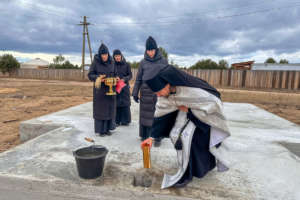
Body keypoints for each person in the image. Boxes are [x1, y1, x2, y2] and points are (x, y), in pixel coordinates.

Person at [141, 65, 230, 189]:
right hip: (187, 114)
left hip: (203, 119)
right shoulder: (164, 95)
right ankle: (198, 167)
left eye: (159, 91)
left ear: (167, 84)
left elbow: (212, 105)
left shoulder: (190, 90)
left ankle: (187, 174)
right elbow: (160, 112)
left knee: (186, 138)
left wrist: (189, 110)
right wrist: (152, 136)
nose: (159, 95)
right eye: (156, 93)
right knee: (175, 134)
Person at [132, 36, 168, 145]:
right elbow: (138, 78)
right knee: (145, 115)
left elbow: (168, 77)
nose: (150, 53)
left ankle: (157, 137)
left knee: (158, 115)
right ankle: (145, 135)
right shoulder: (143, 62)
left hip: (158, 92)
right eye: (148, 50)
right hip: (145, 93)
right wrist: (135, 92)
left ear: (156, 49)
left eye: (152, 50)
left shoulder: (163, 61)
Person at [88, 43, 117, 137]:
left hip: (110, 90)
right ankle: (101, 130)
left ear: (108, 54)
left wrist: (116, 78)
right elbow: (90, 75)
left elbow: (115, 73)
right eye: (102, 55)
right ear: (100, 55)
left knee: (109, 110)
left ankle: (108, 129)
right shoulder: (95, 62)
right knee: (101, 111)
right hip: (100, 91)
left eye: (106, 54)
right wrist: (98, 77)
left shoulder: (112, 62)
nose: (104, 56)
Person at [113, 49, 132, 126]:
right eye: (116, 56)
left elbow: (130, 75)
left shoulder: (127, 65)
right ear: (114, 57)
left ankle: (125, 121)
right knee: (116, 104)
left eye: (118, 56)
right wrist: (115, 78)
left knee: (125, 104)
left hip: (124, 87)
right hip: (116, 87)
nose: (117, 57)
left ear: (121, 56)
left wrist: (124, 79)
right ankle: (116, 121)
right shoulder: (112, 65)